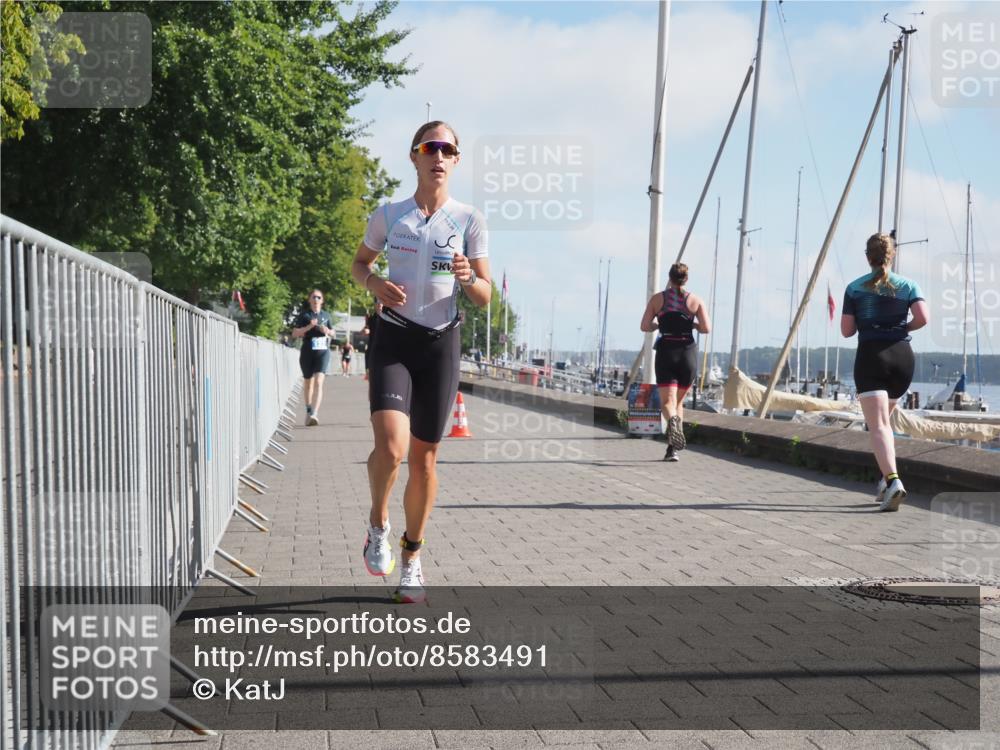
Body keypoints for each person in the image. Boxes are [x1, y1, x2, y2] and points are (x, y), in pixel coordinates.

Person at [350, 121, 491, 602]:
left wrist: (469, 276)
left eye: (448, 149)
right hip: (394, 339)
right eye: (430, 147)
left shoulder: (469, 220)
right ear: (414, 156)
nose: (439, 155)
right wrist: (373, 286)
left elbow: (485, 297)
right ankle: (377, 523)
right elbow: (359, 264)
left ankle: (412, 558)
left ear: (455, 161)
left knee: (425, 461)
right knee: (391, 449)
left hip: (440, 346)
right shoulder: (390, 216)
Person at [841, 233, 929, 511]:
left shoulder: (855, 288)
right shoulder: (909, 285)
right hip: (903, 358)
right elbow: (923, 318)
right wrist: (902, 328)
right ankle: (883, 480)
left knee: (877, 425)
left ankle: (893, 481)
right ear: (892, 256)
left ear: (868, 258)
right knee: (885, 424)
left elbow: (846, 331)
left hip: (872, 356)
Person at [639, 263, 711, 462]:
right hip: (687, 353)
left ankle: (672, 422)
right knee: (678, 402)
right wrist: (690, 323)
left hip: (667, 351)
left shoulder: (657, 299)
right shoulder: (695, 300)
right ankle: (672, 449)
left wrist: (659, 323)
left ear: (669, 278)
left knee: (667, 403)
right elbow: (706, 328)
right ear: (686, 279)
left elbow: (645, 325)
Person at [291, 289, 334, 426]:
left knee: (319, 382)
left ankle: (315, 413)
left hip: (323, 351)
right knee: (308, 382)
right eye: (313, 297)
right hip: (308, 350)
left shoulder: (326, 315)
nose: (316, 299)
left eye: (319, 297)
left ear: (322, 300)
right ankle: (308, 410)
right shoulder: (304, 315)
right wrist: (309, 326)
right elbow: (294, 333)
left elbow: (333, 332)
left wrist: (327, 331)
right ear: (309, 300)